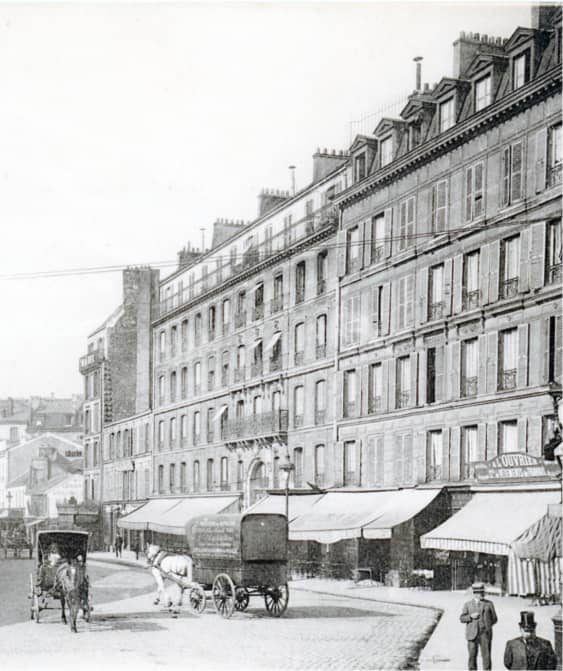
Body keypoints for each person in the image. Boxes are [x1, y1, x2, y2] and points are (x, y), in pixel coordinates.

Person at [460, 582, 498, 670]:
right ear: (475, 593)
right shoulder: (468, 604)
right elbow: (462, 618)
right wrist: (470, 617)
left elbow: (495, 618)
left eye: (482, 592)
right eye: (479, 593)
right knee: (472, 655)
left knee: (486, 656)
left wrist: (487, 625)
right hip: (472, 634)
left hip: (485, 634)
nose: (482, 594)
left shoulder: (489, 604)